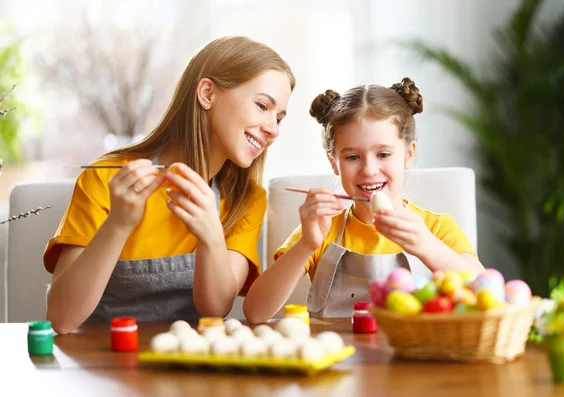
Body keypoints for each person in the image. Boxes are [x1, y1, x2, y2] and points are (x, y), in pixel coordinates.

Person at [43, 36, 295, 334]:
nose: (273, 129)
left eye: (279, 118)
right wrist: (119, 224)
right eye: (262, 106)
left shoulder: (247, 198)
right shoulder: (104, 178)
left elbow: (215, 309)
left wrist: (211, 235)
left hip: (186, 361)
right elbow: (61, 318)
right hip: (102, 361)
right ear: (207, 94)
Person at [243, 78, 485, 323]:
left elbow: (486, 294)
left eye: (383, 154)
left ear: (408, 154)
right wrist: (306, 244)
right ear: (333, 163)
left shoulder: (436, 228)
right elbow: (255, 312)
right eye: (353, 157)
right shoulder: (320, 231)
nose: (369, 170)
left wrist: (425, 244)